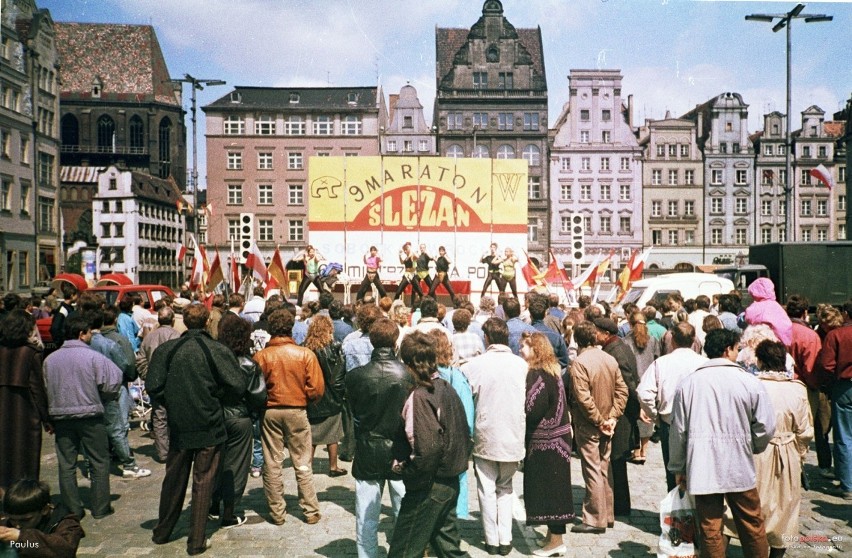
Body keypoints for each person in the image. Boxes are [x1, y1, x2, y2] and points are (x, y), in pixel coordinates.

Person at [147, 304, 248, 555]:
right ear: (206, 323)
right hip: (209, 423)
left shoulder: (168, 350)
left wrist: (174, 400)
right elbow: (237, 385)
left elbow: (154, 386)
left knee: (174, 478)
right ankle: (196, 540)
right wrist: (215, 396)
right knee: (203, 481)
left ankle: (163, 530)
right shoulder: (215, 350)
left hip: (181, 424)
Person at [668, 328, 776, 558]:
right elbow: (766, 426)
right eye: (737, 349)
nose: (738, 353)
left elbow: (678, 431)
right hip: (739, 463)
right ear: (727, 350)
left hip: (703, 464)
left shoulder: (689, 383)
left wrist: (678, 467)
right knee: (752, 523)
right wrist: (752, 445)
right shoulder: (749, 381)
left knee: (710, 527)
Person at [725, 340, 812, 558]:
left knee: (745, 502)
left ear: (760, 361)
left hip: (755, 450)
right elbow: (804, 430)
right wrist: (799, 456)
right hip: (786, 453)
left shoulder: (751, 384)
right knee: (784, 506)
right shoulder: (797, 390)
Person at [387, 331, 469, 558]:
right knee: (448, 549)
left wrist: (407, 471)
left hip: (429, 484)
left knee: (403, 551)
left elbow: (427, 448)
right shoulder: (446, 387)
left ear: (409, 363)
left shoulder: (420, 396)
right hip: (449, 480)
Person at [346, 318, 414, 558]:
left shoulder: (356, 376)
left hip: (368, 448)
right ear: (395, 341)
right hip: (400, 450)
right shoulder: (409, 375)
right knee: (404, 515)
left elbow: (353, 410)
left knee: (367, 517)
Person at [43, 315, 122, 520]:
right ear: (81, 334)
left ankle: (73, 509)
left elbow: (45, 388)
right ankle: (100, 506)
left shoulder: (50, 360)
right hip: (90, 415)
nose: (90, 336)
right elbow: (114, 380)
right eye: (88, 333)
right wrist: (103, 397)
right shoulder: (94, 357)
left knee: (67, 464)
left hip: (61, 417)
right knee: (99, 461)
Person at [253, 309, 325, 525]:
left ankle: (277, 513)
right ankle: (310, 510)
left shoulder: (262, 356)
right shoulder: (304, 354)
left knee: (273, 462)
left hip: (270, 411)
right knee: (302, 461)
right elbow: (317, 389)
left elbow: (255, 388)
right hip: (297, 409)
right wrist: (305, 398)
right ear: (290, 328)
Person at [462, 318, 527, 555]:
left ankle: (491, 539)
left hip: (485, 433)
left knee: (486, 487)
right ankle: (505, 538)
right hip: (512, 433)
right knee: (506, 487)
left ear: (487, 338)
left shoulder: (473, 365)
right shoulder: (521, 365)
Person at [208, 313, 267, 530]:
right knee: (237, 467)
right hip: (239, 417)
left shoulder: (212, 361)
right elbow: (258, 395)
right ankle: (229, 514)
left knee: (215, 462)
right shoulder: (248, 364)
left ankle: (213, 506)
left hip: (216, 416)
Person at [568, 321, 627, 534]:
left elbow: (583, 398)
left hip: (591, 425)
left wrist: (602, 420)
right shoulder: (609, 359)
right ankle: (607, 514)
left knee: (593, 469)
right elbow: (622, 391)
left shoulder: (580, 363)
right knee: (603, 467)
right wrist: (611, 417)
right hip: (605, 422)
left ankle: (594, 518)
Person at [519, 332, 573, 557]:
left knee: (549, 491)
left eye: (524, 346)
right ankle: (553, 537)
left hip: (546, 444)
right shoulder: (553, 371)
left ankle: (556, 541)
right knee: (556, 489)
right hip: (558, 440)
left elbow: (532, 408)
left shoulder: (537, 374)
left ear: (535, 349)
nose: (520, 350)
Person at [636, 322, 707, 490]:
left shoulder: (662, 363)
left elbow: (644, 393)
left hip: (671, 423)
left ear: (672, 341)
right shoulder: (705, 363)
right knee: (699, 471)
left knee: (673, 473)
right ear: (693, 340)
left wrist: (656, 416)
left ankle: (676, 512)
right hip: (699, 422)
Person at [593, 317, 639, 517]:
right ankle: (618, 503)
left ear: (606, 333)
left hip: (621, 414)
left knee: (617, 460)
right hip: (620, 412)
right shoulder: (616, 347)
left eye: (597, 331)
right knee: (615, 462)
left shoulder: (616, 351)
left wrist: (635, 411)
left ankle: (620, 505)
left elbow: (628, 385)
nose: (595, 335)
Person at [0, 310, 50, 490]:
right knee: (26, 460)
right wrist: (47, 419)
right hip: (25, 415)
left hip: (3, 413)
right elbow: (38, 390)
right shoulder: (31, 353)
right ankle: (26, 498)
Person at [428, 330, 475, 520]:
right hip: (455, 438)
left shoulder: (424, 378)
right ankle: (455, 513)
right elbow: (467, 413)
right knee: (457, 478)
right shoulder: (457, 377)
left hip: (431, 438)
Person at [136, 305, 181, 463]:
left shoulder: (149, 338)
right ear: (173, 319)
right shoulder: (177, 336)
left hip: (156, 383)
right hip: (173, 383)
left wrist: (148, 376)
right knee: (174, 416)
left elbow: (140, 359)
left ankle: (163, 453)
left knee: (159, 416)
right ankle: (175, 450)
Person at [303, 315, 347, 477]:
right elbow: (338, 376)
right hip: (331, 397)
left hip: (313, 397)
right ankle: (333, 467)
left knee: (312, 436)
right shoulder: (334, 347)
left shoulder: (305, 348)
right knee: (333, 435)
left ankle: (308, 466)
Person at [816, 300, 852, 500]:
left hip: (844, 386)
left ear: (846, 313)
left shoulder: (835, 335)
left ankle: (847, 485)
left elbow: (827, 365)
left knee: (844, 436)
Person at [0, 479, 84, 557]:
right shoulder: (10, 523)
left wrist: (21, 537)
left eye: (25, 520)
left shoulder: (67, 524)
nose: (17, 526)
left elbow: (65, 550)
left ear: (45, 510)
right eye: (12, 519)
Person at [622, 311, 661, 464]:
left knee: (634, 415)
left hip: (632, 381)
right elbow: (657, 358)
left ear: (630, 323)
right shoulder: (653, 340)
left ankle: (636, 450)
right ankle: (644, 450)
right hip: (649, 381)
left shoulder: (626, 341)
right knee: (647, 416)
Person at [744, 277, 793, 346]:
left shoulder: (753, 308)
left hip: (756, 344)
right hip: (777, 345)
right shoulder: (778, 308)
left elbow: (747, 319)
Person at [528, 295, 569, 370]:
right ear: (545, 314)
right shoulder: (556, 337)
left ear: (530, 316)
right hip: (550, 375)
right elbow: (564, 361)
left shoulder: (525, 335)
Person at [49, 281, 78, 349]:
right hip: (64, 344)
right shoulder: (63, 310)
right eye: (76, 295)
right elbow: (55, 328)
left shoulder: (69, 308)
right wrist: (60, 343)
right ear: (72, 296)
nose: (77, 297)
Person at [394, 242, 423, 307]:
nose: (405, 250)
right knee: (399, 291)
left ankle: (424, 306)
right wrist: (399, 255)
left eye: (407, 248)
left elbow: (417, 257)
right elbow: (402, 262)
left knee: (420, 292)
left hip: (413, 275)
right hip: (407, 275)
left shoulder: (413, 255)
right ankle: (393, 306)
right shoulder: (406, 257)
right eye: (405, 249)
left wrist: (411, 250)